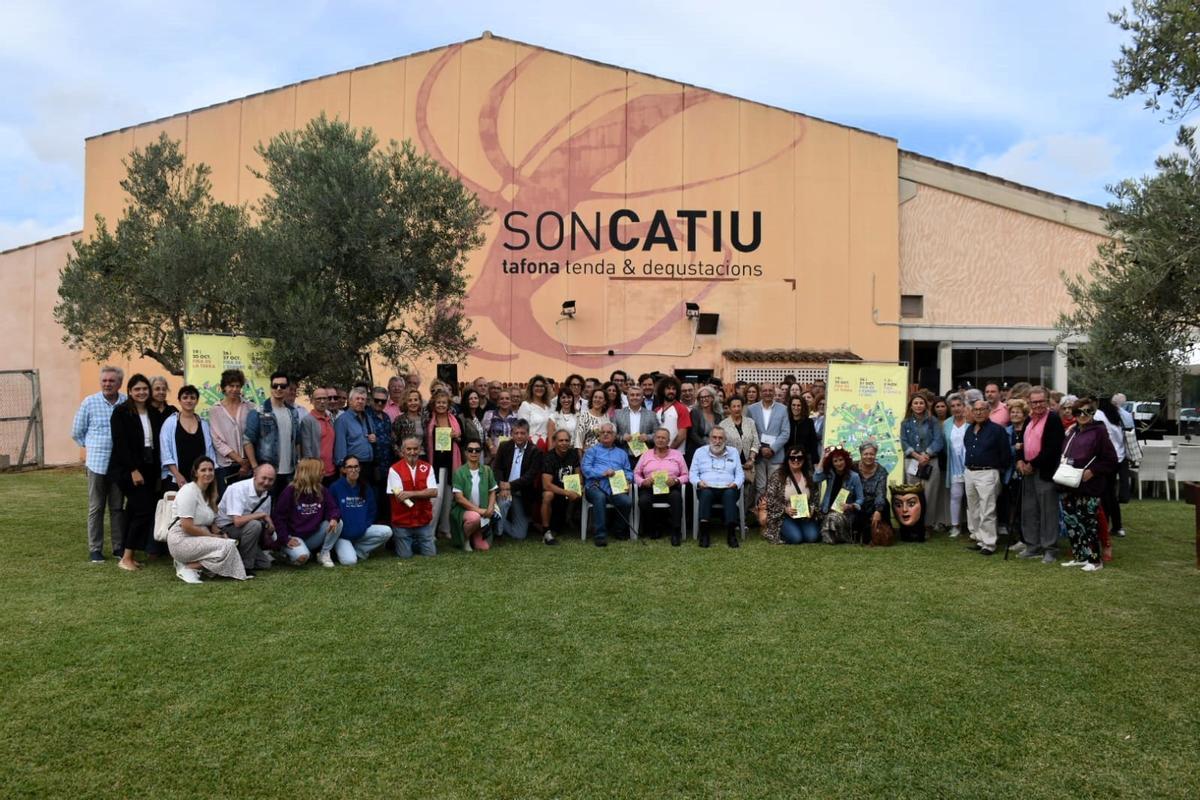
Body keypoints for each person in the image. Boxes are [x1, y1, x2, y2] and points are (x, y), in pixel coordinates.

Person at [72, 365, 127, 563]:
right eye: (104, 380)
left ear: (119, 383)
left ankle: (118, 547)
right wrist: (92, 447)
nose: (107, 384)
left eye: (112, 381)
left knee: (117, 507)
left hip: (118, 466)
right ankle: (95, 549)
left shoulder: (126, 402)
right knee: (96, 508)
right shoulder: (90, 402)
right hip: (96, 464)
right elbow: (77, 431)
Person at [108, 373, 162, 572]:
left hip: (148, 467)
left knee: (132, 511)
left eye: (144, 389)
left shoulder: (153, 413)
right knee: (143, 510)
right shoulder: (121, 412)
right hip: (127, 469)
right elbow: (121, 445)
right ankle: (127, 557)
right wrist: (133, 470)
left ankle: (126, 553)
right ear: (130, 391)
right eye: (137, 389)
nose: (141, 392)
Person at [166, 456, 249, 584]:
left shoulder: (209, 494)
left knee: (229, 543)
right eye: (203, 470)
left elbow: (212, 524)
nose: (208, 473)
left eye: (211, 470)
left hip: (198, 537)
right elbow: (186, 526)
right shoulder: (188, 491)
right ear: (195, 472)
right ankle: (189, 568)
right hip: (181, 539)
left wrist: (221, 534)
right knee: (226, 547)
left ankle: (192, 565)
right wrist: (213, 537)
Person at [1059, 398, 1119, 572]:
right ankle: (1079, 555)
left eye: (1087, 411)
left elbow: (1111, 459)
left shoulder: (1099, 432)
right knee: (1072, 521)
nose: (1083, 415)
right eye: (1078, 412)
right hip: (1068, 482)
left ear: (1093, 412)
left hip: (1088, 484)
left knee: (1088, 522)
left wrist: (1093, 471)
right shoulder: (1073, 431)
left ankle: (1094, 559)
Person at [270, 458, 342, 567]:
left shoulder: (322, 490)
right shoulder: (290, 491)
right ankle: (284, 552)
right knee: (302, 557)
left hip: (312, 535)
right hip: (294, 536)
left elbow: (333, 508)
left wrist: (334, 518)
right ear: (311, 472)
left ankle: (324, 553)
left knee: (338, 522)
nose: (324, 472)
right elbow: (279, 518)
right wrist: (285, 539)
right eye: (321, 470)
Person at [962, 399, 1011, 556]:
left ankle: (989, 543)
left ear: (988, 411)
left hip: (987, 472)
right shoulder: (969, 429)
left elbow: (1005, 454)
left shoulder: (997, 430)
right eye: (975, 410)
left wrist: (998, 471)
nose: (978, 412)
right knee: (973, 508)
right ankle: (979, 538)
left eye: (982, 409)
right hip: (970, 472)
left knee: (987, 509)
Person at [244, 371, 302, 500]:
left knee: (287, 508)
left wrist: (298, 463)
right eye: (275, 386)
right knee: (267, 508)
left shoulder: (293, 413)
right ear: (271, 388)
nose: (279, 389)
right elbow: (247, 441)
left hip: (290, 472)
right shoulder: (258, 412)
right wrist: (255, 467)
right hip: (267, 472)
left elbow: (297, 440)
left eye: (282, 386)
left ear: (288, 389)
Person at [327, 456, 393, 564]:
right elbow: (331, 510)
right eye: (349, 467)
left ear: (360, 468)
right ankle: (347, 551)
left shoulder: (365, 486)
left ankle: (359, 550)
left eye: (356, 466)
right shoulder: (335, 487)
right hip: (343, 535)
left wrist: (364, 525)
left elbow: (372, 510)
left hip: (361, 531)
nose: (353, 470)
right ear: (343, 469)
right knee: (350, 561)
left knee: (387, 531)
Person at [689, 427, 746, 548]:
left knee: (730, 494)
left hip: (728, 487)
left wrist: (735, 483)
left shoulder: (733, 452)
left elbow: (740, 473)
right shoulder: (700, 452)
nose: (717, 441)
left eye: (720, 438)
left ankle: (731, 534)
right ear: (709, 439)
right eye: (714, 437)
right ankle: (704, 534)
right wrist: (699, 483)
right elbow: (692, 473)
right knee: (705, 494)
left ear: (725, 440)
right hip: (707, 487)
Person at [215, 463, 276, 573]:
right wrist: (262, 515)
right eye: (264, 478)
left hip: (244, 531)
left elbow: (263, 522)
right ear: (255, 475)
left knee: (265, 564)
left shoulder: (267, 495)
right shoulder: (238, 489)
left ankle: (235, 556)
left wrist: (269, 528)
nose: (266, 482)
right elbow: (237, 521)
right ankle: (245, 567)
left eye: (270, 480)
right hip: (225, 529)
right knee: (254, 525)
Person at [634, 427, 689, 545]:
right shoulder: (646, 454)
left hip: (670, 487)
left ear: (669, 440)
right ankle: (654, 528)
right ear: (654, 439)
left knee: (676, 498)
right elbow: (636, 473)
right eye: (658, 437)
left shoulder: (677, 454)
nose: (660, 440)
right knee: (643, 501)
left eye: (664, 438)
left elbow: (685, 475)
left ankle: (675, 532)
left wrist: (675, 480)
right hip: (650, 488)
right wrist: (643, 482)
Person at [581, 423, 634, 546]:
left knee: (627, 502)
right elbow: (586, 469)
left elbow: (628, 471)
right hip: (595, 486)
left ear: (614, 436)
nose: (605, 434)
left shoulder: (622, 453)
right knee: (600, 498)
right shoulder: (591, 451)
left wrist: (628, 479)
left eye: (609, 432)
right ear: (599, 436)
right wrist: (602, 473)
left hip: (616, 488)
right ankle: (600, 535)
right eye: (603, 432)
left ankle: (618, 530)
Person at [388, 436, 440, 558]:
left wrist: (411, 493)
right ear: (402, 451)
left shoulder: (428, 467)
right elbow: (400, 497)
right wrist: (423, 493)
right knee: (405, 556)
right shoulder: (394, 469)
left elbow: (434, 492)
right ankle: (402, 541)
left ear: (420, 449)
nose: (412, 452)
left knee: (430, 554)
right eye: (409, 449)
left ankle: (414, 542)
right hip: (403, 522)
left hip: (422, 521)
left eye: (415, 448)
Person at [159, 385, 217, 494]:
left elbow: (209, 451)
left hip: (200, 478)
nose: (189, 400)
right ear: (179, 401)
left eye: (192, 398)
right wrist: (177, 475)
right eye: (185, 397)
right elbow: (166, 452)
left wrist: (207, 475)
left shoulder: (203, 424)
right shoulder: (170, 422)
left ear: (197, 401)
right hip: (176, 478)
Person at [493, 419, 544, 541]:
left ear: (528, 434)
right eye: (516, 433)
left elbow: (530, 476)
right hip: (504, 490)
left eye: (522, 433)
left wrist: (509, 485)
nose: (519, 436)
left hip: (521, 493)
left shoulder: (535, 451)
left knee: (519, 534)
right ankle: (498, 534)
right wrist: (501, 486)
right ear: (512, 434)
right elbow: (497, 468)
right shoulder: (504, 446)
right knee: (504, 503)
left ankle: (493, 523)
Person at [900, 393, 945, 532]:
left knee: (930, 494)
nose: (918, 406)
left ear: (926, 405)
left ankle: (927, 526)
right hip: (912, 462)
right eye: (915, 403)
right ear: (911, 406)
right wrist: (916, 456)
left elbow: (938, 441)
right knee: (913, 495)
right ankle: (914, 524)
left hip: (930, 461)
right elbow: (904, 441)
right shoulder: (905, 423)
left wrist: (926, 454)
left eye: (921, 403)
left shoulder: (933, 421)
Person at [758, 444, 819, 544]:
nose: (796, 460)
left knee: (812, 537)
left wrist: (812, 508)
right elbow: (770, 499)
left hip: (804, 515)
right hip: (783, 516)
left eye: (799, 457)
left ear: (804, 459)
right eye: (792, 458)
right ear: (787, 459)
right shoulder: (778, 476)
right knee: (796, 538)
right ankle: (777, 530)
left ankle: (799, 528)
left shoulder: (809, 475)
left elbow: (816, 497)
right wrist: (785, 509)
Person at [423, 389, 464, 538]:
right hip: (435, 462)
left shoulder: (454, 419)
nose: (441, 405)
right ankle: (430, 531)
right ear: (434, 404)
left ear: (448, 404)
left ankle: (444, 529)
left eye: (444, 403)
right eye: (438, 402)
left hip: (451, 461)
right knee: (436, 497)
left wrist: (457, 436)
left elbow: (461, 439)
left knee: (448, 497)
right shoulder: (428, 420)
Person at [208, 368, 254, 493]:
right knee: (226, 505)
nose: (234, 389)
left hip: (249, 465)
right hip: (226, 465)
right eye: (230, 386)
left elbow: (254, 436)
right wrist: (240, 461)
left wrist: (247, 463)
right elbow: (217, 441)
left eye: (237, 386)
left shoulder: (250, 407)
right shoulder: (215, 410)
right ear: (223, 387)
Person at [450, 440, 499, 551]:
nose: (474, 452)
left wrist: (490, 508)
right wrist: (479, 511)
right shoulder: (459, 472)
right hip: (464, 511)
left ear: (480, 452)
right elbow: (459, 498)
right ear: (466, 453)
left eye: (477, 450)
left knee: (484, 547)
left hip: (483, 511)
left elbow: (492, 491)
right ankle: (465, 539)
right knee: (474, 517)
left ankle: (475, 533)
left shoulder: (487, 470)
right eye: (470, 450)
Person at [718, 395, 760, 521]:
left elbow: (756, 442)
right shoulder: (723, 425)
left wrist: (751, 459)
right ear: (729, 408)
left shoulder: (750, 422)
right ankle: (733, 518)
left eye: (739, 406)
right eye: (734, 406)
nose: (736, 409)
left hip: (749, 464)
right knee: (733, 491)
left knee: (748, 492)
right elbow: (721, 446)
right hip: (731, 465)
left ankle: (744, 519)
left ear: (742, 407)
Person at [748, 382, 788, 503]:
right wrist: (761, 448)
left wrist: (772, 449)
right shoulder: (751, 409)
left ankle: (774, 517)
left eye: (770, 390)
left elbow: (785, 432)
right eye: (765, 391)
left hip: (776, 454)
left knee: (775, 488)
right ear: (760, 393)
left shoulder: (783, 409)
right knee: (760, 487)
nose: (768, 393)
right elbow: (750, 431)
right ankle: (759, 516)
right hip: (759, 455)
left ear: (774, 392)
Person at [1094, 396, 1128, 539]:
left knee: (1104, 494)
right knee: (1111, 494)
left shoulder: (1099, 416)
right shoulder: (1117, 417)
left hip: (1106, 458)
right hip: (1118, 457)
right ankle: (1117, 525)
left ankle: (1104, 524)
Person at [813, 447, 863, 544]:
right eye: (835, 461)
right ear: (832, 463)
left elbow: (860, 499)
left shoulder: (854, 476)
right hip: (826, 511)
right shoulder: (829, 474)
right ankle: (833, 536)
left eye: (841, 460)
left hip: (845, 514)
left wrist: (851, 506)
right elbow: (815, 478)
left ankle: (831, 537)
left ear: (846, 460)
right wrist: (823, 458)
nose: (838, 463)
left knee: (832, 518)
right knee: (821, 519)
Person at [541, 429, 582, 545]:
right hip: (555, 491)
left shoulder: (573, 454)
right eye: (560, 440)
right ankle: (545, 531)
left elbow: (578, 474)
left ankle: (572, 521)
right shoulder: (548, 457)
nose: (564, 443)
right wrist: (567, 493)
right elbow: (546, 485)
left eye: (566, 440)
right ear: (554, 442)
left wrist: (579, 487)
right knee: (548, 495)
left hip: (569, 489)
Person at [943, 392, 970, 538]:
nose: (956, 408)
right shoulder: (947, 423)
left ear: (964, 406)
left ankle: (973, 527)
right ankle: (955, 526)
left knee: (972, 497)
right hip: (954, 465)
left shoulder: (971, 421)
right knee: (955, 496)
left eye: (958, 405)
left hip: (971, 465)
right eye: (952, 406)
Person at [366, 387, 395, 523]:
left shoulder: (386, 417)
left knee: (385, 499)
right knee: (373, 499)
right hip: (372, 465)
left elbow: (391, 439)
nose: (379, 404)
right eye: (376, 400)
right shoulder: (366, 416)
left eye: (383, 401)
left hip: (387, 464)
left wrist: (379, 440)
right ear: (371, 400)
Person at [852, 442, 888, 545]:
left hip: (874, 503)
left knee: (885, 504)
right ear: (861, 455)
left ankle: (880, 534)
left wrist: (878, 511)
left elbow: (881, 493)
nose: (869, 456)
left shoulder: (882, 471)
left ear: (875, 455)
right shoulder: (853, 467)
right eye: (866, 454)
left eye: (872, 454)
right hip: (857, 502)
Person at [300, 387, 338, 485]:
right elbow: (306, 449)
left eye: (325, 398)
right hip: (317, 473)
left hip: (332, 471)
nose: (322, 401)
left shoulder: (330, 419)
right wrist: (313, 472)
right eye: (318, 398)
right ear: (312, 401)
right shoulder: (307, 420)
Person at [687, 385, 723, 464]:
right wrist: (708, 447)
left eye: (707, 396)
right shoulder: (695, 412)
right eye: (701, 397)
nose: (704, 399)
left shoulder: (718, 415)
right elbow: (693, 434)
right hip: (697, 450)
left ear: (712, 398)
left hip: (715, 451)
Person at [653, 377, 691, 451]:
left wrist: (669, 451)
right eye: (668, 389)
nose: (671, 391)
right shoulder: (657, 410)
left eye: (674, 389)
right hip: (658, 454)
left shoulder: (682, 408)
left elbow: (682, 435)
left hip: (676, 453)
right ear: (662, 390)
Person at [517, 375, 554, 450]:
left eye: (542, 386)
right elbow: (522, 429)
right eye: (536, 386)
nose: (539, 388)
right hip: (532, 448)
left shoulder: (549, 407)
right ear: (531, 388)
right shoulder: (526, 405)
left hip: (548, 446)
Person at [783, 394, 818, 467]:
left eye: (799, 405)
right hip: (788, 458)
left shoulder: (809, 422)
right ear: (790, 406)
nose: (796, 407)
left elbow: (813, 443)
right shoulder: (785, 421)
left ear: (803, 407)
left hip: (805, 459)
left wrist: (815, 461)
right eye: (793, 405)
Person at [482, 389, 518, 460]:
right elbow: (484, 433)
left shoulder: (516, 416)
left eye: (507, 398)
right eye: (501, 399)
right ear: (498, 402)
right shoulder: (490, 415)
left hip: (512, 453)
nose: (504, 401)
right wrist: (491, 447)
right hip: (494, 454)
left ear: (511, 401)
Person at [391, 388, 426, 460]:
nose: (413, 403)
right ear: (405, 402)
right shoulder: (400, 420)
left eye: (416, 400)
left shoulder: (425, 419)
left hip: (422, 456)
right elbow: (393, 440)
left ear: (419, 402)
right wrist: (399, 453)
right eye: (410, 400)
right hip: (405, 457)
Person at [575, 387, 610, 453]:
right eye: (595, 397)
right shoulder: (584, 416)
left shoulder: (606, 416)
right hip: (588, 455)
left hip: (604, 455)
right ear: (592, 399)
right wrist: (581, 461)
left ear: (605, 401)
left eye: (600, 398)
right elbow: (578, 442)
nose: (597, 400)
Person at [458, 387, 487, 451]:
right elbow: (462, 439)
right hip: (469, 452)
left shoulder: (481, 416)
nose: (473, 400)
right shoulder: (462, 418)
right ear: (466, 401)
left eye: (476, 398)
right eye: (470, 399)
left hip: (481, 451)